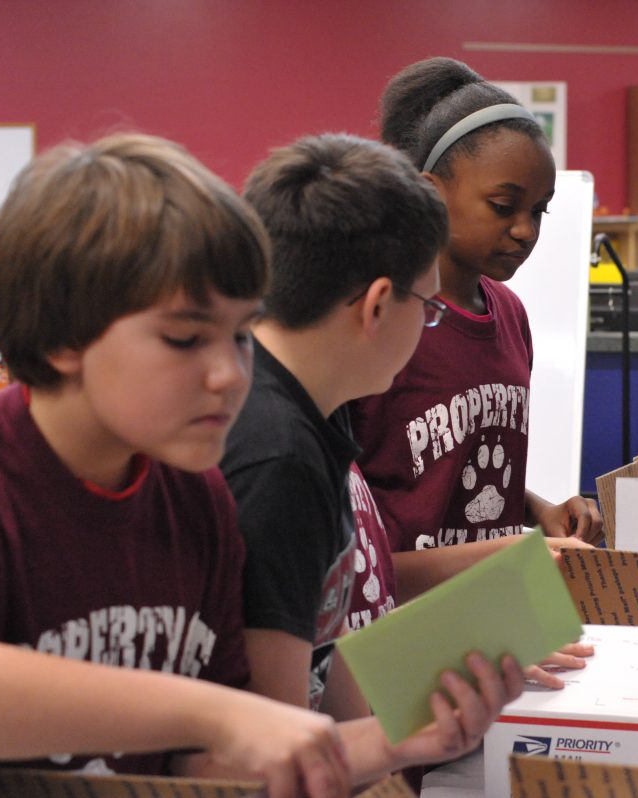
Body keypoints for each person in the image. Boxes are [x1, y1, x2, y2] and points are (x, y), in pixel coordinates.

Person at [0, 133, 352, 797]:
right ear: (63, 337)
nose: (230, 375)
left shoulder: (197, 497)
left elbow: (198, 760)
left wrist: (399, 739)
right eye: (183, 338)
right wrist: (217, 713)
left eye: (240, 335)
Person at [223, 133, 525, 785]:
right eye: (430, 305)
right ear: (379, 306)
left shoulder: (315, 410)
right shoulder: (275, 453)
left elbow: (328, 668)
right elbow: (279, 751)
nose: (429, 326)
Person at [350, 57, 601, 604]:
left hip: (491, 608)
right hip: (399, 622)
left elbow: (464, 479)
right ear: (431, 191)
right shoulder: (385, 324)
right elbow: (354, 542)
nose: (525, 230)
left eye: (540, 211)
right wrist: (506, 551)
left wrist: (537, 511)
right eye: (503, 206)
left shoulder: (509, 313)